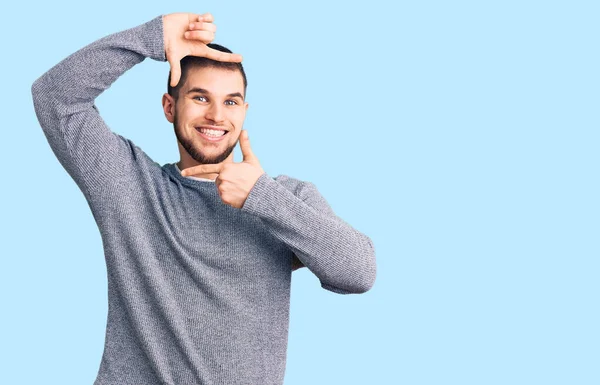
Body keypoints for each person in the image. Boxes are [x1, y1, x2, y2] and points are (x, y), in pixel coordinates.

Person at [31, 12, 377, 385]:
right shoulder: (130, 185)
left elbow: (359, 273)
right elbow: (55, 97)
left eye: (231, 102)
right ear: (169, 107)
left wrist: (261, 197)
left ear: (244, 112)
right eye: (200, 97)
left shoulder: (285, 198)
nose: (215, 115)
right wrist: (153, 37)